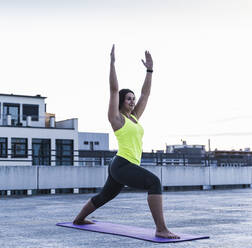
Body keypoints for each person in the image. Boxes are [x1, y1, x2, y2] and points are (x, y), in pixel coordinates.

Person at [73, 45, 179, 239]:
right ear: (121, 101)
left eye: (133, 99)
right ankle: (161, 229)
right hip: (123, 164)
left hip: (119, 165)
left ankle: (79, 219)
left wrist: (150, 71)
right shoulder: (117, 119)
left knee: (106, 195)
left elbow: (145, 94)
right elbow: (113, 90)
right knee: (154, 182)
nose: (132, 101)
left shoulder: (134, 117)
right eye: (129, 99)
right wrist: (112, 63)